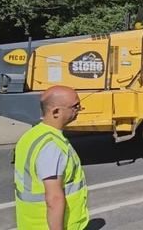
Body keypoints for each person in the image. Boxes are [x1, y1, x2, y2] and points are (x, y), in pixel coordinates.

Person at [14, 85, 89, 230]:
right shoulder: (51, 146)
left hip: (31, 223)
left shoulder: (33, 135)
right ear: (56, 112)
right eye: (75, 106)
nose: (79, 110)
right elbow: (54, 199)